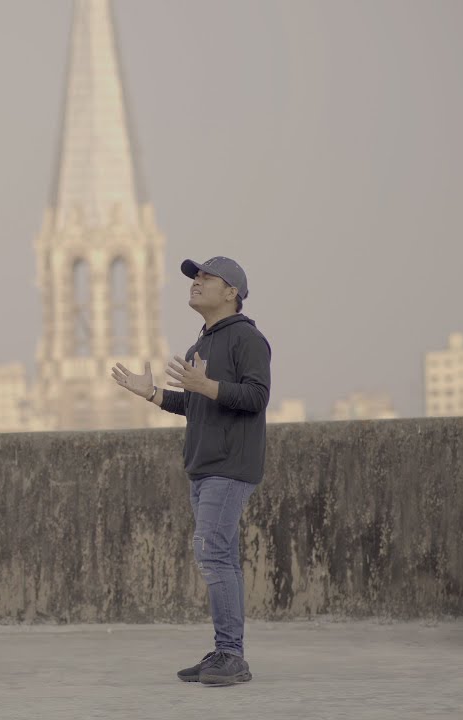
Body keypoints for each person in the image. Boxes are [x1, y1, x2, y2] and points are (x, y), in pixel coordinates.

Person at [110, 256, 271, 687]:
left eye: (205, 277)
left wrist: (207, 385)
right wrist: (153, 394)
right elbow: (196, 403)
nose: (195, 282)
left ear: (231, 292)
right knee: (223, 558)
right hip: (202, 468)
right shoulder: (202, 344)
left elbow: (256, 397)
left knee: (211, 553)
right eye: (194, 277)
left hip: (229, 467)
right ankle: (226, 651)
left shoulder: (247, 338)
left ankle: (231, 655)